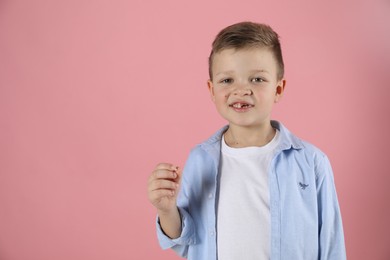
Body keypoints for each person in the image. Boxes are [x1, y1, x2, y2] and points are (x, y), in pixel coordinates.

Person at [147, 21, 346, 260]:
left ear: (279, 89)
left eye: (257, 79)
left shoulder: (312, 162)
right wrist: (167, 209)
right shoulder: (200, 159)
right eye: (227, 81)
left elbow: (332, 245)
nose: (241, 90)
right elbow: (185, 242)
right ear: (211, 90)